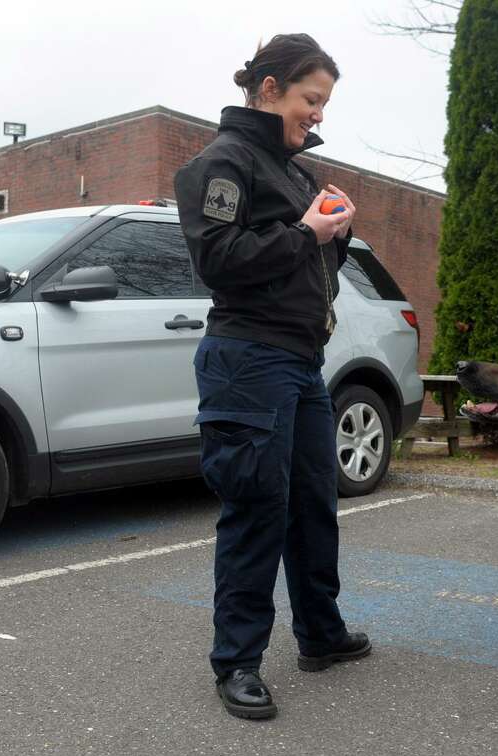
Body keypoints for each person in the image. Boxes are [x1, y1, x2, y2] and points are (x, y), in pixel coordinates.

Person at [174, 33, 369, 720]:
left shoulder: (293, 174)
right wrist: (308, 233)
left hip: (299, 362)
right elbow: (219, 263)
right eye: (311, 100)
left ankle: (320, 632)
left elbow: (303, 270)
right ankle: (237, 663)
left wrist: (333, 235)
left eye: (323, 104)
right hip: (248, 361)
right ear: (267, 90)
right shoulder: (222, 163)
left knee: (314, 504)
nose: (318, 114)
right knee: (258, 509)